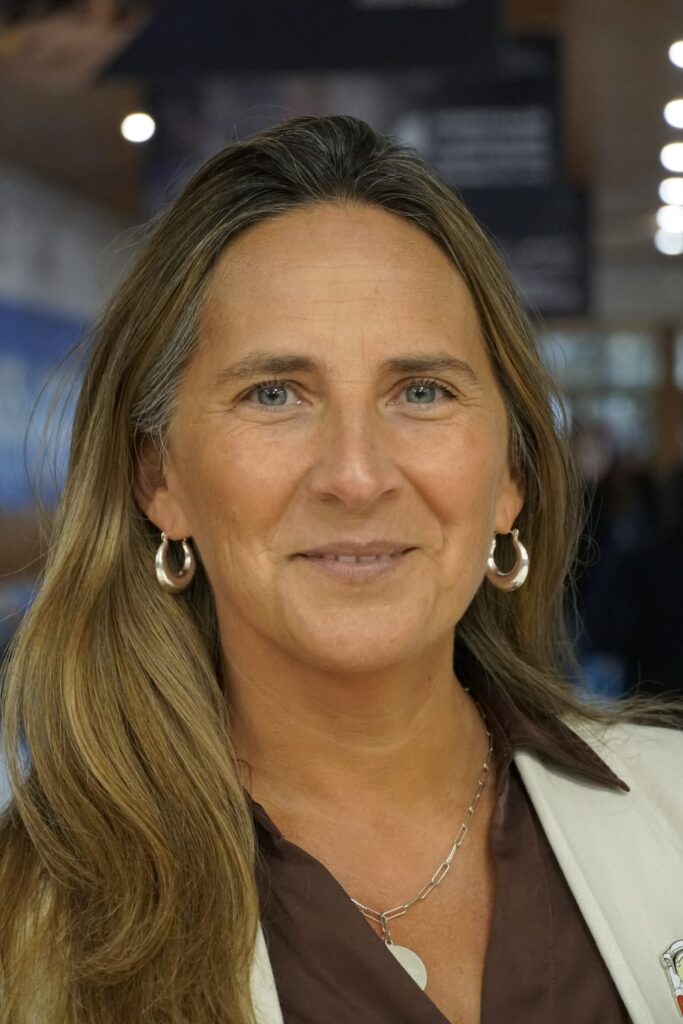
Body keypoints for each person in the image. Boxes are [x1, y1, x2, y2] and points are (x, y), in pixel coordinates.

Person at [0, 114, 681, 1024]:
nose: (356, 477)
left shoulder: (673, 807)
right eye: (274, 394)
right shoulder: (30, 923)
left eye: (421, 391)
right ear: (159, 480)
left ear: (510, 477)